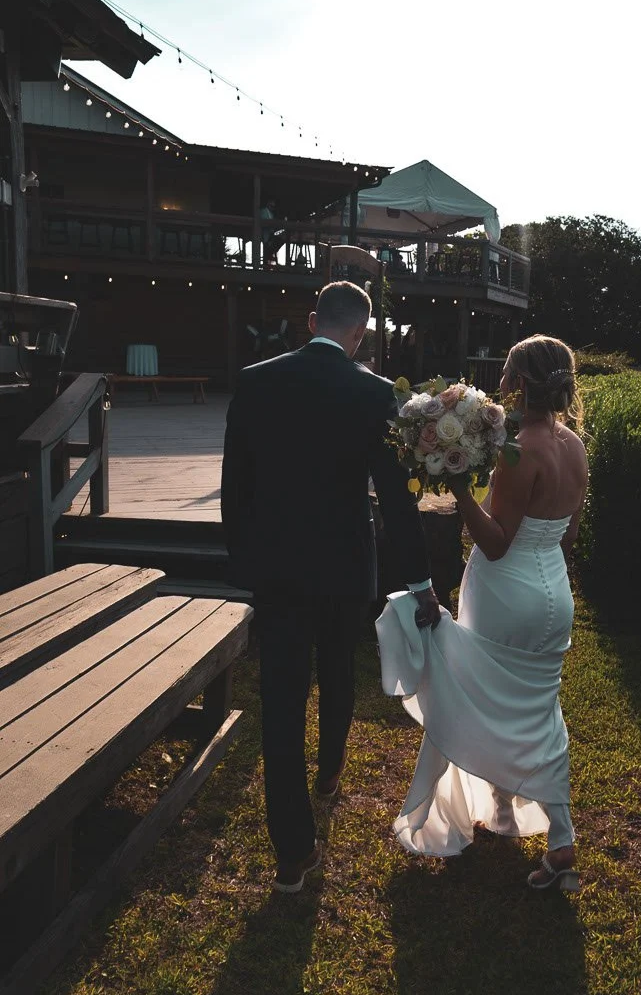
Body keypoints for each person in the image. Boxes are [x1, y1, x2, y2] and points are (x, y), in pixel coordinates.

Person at [221, 281, 440, 893]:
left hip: (278, 567)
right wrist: (421, 581)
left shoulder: (256, 380)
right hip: (346, 566)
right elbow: (398, 503)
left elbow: (233, 484)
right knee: (339, 669)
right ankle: (332, 771)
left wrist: (244, 560)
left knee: (282, 699)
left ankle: (291, 853)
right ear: (361, 334)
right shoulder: (373, 394)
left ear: (311, 320)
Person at [376, 335, 588, 891]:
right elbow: (566, 537)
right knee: (539, 709)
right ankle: (554, 834)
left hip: (505, 591)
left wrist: (456, 486)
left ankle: (493, 810)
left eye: (506, 375)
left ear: (518, 383)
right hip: (554, 594)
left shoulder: (522, 450)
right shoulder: (574, 446)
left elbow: (494, 543)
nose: (499, 384)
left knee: (475, 696)